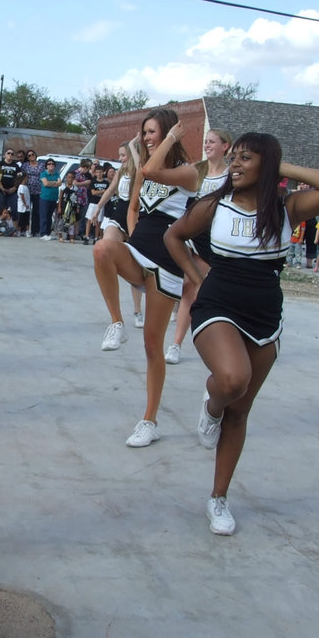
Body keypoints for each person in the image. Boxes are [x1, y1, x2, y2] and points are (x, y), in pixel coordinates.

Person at [163, 132, 319, 535]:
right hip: (218, 305)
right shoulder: (213, 206)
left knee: (242, 409)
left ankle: (218, 499)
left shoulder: (287, 209)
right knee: (233, 380)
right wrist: (198, 276)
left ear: (268, 165)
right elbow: (173, 237)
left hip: (265, 314)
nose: (235, 164)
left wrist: (279, 166)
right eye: (234, 157)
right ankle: (212, 403)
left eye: (246, 158)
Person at [92, 108, 199, 447]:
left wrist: (170, 139)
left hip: (167, 263)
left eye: (152, 132)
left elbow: (151, 170)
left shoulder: (187, 172)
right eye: (145, 132)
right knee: (101, 249)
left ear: (168, 133)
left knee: (152, 346)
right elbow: (134, 205)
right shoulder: (145, 169)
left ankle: (149, 421)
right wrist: (135, 234)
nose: (146, 138)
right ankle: (117, 322)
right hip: (139, 250)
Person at [166, 127, 231, 364]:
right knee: (188, 288)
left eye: (212, 141)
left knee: (207, 290)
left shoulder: (232, 175)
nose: (207, 145)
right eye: (206, 141)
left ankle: (226, 338)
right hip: (193, 234)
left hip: (216, 238)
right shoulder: (197, 170)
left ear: (225, 146)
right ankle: (175, 344)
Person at [93, 141, 145, 339]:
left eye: (124, 155)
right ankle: (115, 319)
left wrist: (133, 146)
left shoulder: (142, 168)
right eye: (120, 154)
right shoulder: (121, 170)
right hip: (119, 213)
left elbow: (140, 168)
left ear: (133, 154)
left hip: (136, 215)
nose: (120, 158)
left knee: (135, 263)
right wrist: (98, 207)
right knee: (104, 250)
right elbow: (110, 189)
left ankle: (137, 311)